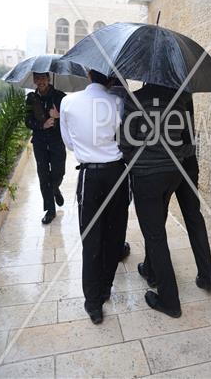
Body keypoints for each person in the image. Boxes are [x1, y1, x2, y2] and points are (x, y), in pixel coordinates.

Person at [60, 70, 129, 325]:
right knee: (114, 236)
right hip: (117, 175)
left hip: (90, 176)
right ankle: (105, 288)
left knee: (91, 239)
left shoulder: (67, 102)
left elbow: (68, 143)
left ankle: (93, 304)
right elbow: (123, 139)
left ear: (88, 74)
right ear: (111, 78)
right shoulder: (118, 102)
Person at [119, 83, 189, 318]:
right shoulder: (179, 99)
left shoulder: (135, 99)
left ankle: (170, 301)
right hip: (173, 174)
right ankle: (150, 269)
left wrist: (136, 160)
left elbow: (125, 141)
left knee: (154, 234)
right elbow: (182, 136)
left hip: (147, 176)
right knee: (156, 223)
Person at [138, 96, 211, 291]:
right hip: (188, 162)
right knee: (194, 217)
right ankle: (208, 275)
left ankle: (152, 272)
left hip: (168, 164)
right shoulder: (185, 89)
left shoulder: (157, 92)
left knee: (156, 218)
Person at [25, 72, 66, 225]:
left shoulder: (60, 97)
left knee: (59, 172)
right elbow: (27, 121)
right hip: (40, 142)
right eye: (38, 78)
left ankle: (55, 189)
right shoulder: (31, 98)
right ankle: (50, 210)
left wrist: (58, 115)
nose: (40, 81)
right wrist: (42, 125)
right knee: (43, 175)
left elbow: (70, 117)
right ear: (34, 80)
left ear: (49, 78)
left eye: (43, 78)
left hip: (57, 141)